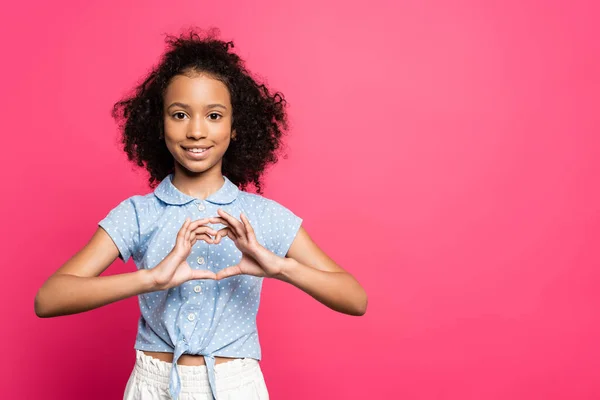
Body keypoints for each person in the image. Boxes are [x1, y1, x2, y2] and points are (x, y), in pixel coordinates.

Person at [34, 28, 368, 400]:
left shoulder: (265, 216)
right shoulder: (138, 214)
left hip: (236, 387)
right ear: (158, 125)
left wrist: (280, 267)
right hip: (152, 383)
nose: (196, 131)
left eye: (213, 115)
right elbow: (49, 299)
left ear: (235, 126)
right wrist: (151, 279)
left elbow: (355, 299)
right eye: (179, 114)